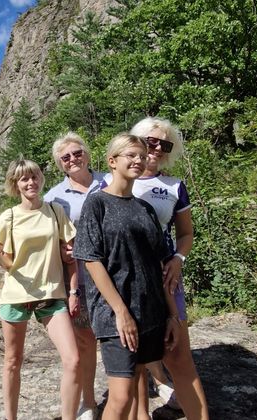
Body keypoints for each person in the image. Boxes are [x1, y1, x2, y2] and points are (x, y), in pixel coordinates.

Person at [73, 133, 180, 420]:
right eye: (131, 155)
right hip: (114, 315)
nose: (139, 160)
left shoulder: (145, 208)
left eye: (142, 156)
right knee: (120, 397)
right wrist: (121, 312)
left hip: (150, 310)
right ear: (112, 161)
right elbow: (91, 260)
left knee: (137, 385)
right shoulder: (97, 204)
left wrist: (171, 315)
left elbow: (158, 265)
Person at [128, 117, 209, 419]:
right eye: (152, 141)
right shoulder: (114, 181)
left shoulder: (174, 186)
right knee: (133, 361)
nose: (158, 149)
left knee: (179, 358)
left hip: (165, 278)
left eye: (165, 144)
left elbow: (186, 234)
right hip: (127, 281)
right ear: (136, 141)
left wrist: (178, 259)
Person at [0, 158, 81, 420]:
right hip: (17, 295)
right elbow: (8, 264)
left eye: (34, 176)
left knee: (73, 360)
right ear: (15, 184)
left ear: (41, 178)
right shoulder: (8, 217)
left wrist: (73, 291)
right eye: (24, 179)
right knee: (12, 361)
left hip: (51, 294)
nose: (31, 182)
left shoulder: (54, 211)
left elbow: (70, 255)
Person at [44, 132, 105, 420]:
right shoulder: (54, 197)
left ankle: (141, 392)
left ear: (87, 154)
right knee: (86, 341)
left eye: (77, 153)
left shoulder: (109, 182)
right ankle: (89, 402)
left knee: (127, 336)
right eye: (65, 157)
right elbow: (46, 237)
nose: (72, 159)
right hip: (80, 279)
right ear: (60, 164)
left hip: (118, 273)